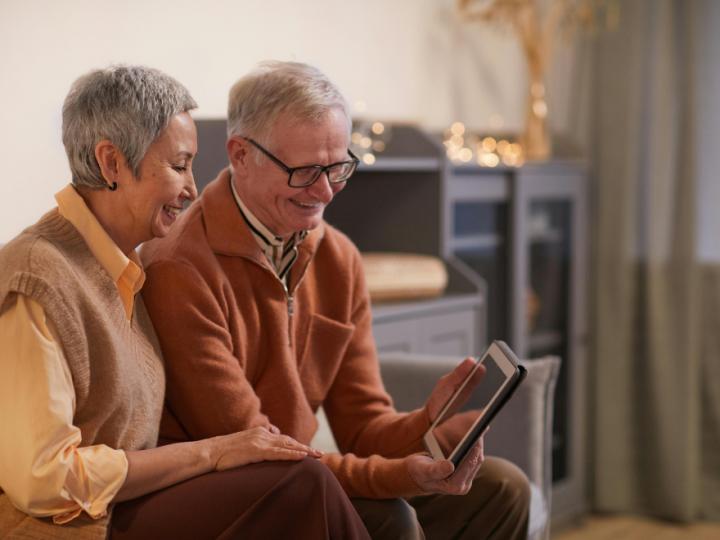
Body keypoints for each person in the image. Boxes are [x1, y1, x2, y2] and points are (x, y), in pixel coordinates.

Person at [141, 60, 531, 539]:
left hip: (304, 476)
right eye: (306, 171)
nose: (326, 191)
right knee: (389, 516)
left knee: (503, 489)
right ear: (240, 154)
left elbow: (364, 427)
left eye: (338, 166)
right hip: (233, 495)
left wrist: (429, 423)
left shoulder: (338, 258)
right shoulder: (180, 268)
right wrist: (402, 476)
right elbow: (263, 453)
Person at [0, 65, 370, 540]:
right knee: (301, 484)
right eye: (178, 166)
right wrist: (211, 452)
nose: (193, 189)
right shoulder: (36, 278)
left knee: (326, 496)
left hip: (129, 506)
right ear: (112, 163)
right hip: (74, 528)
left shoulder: (120, 270)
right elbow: (43, 480)